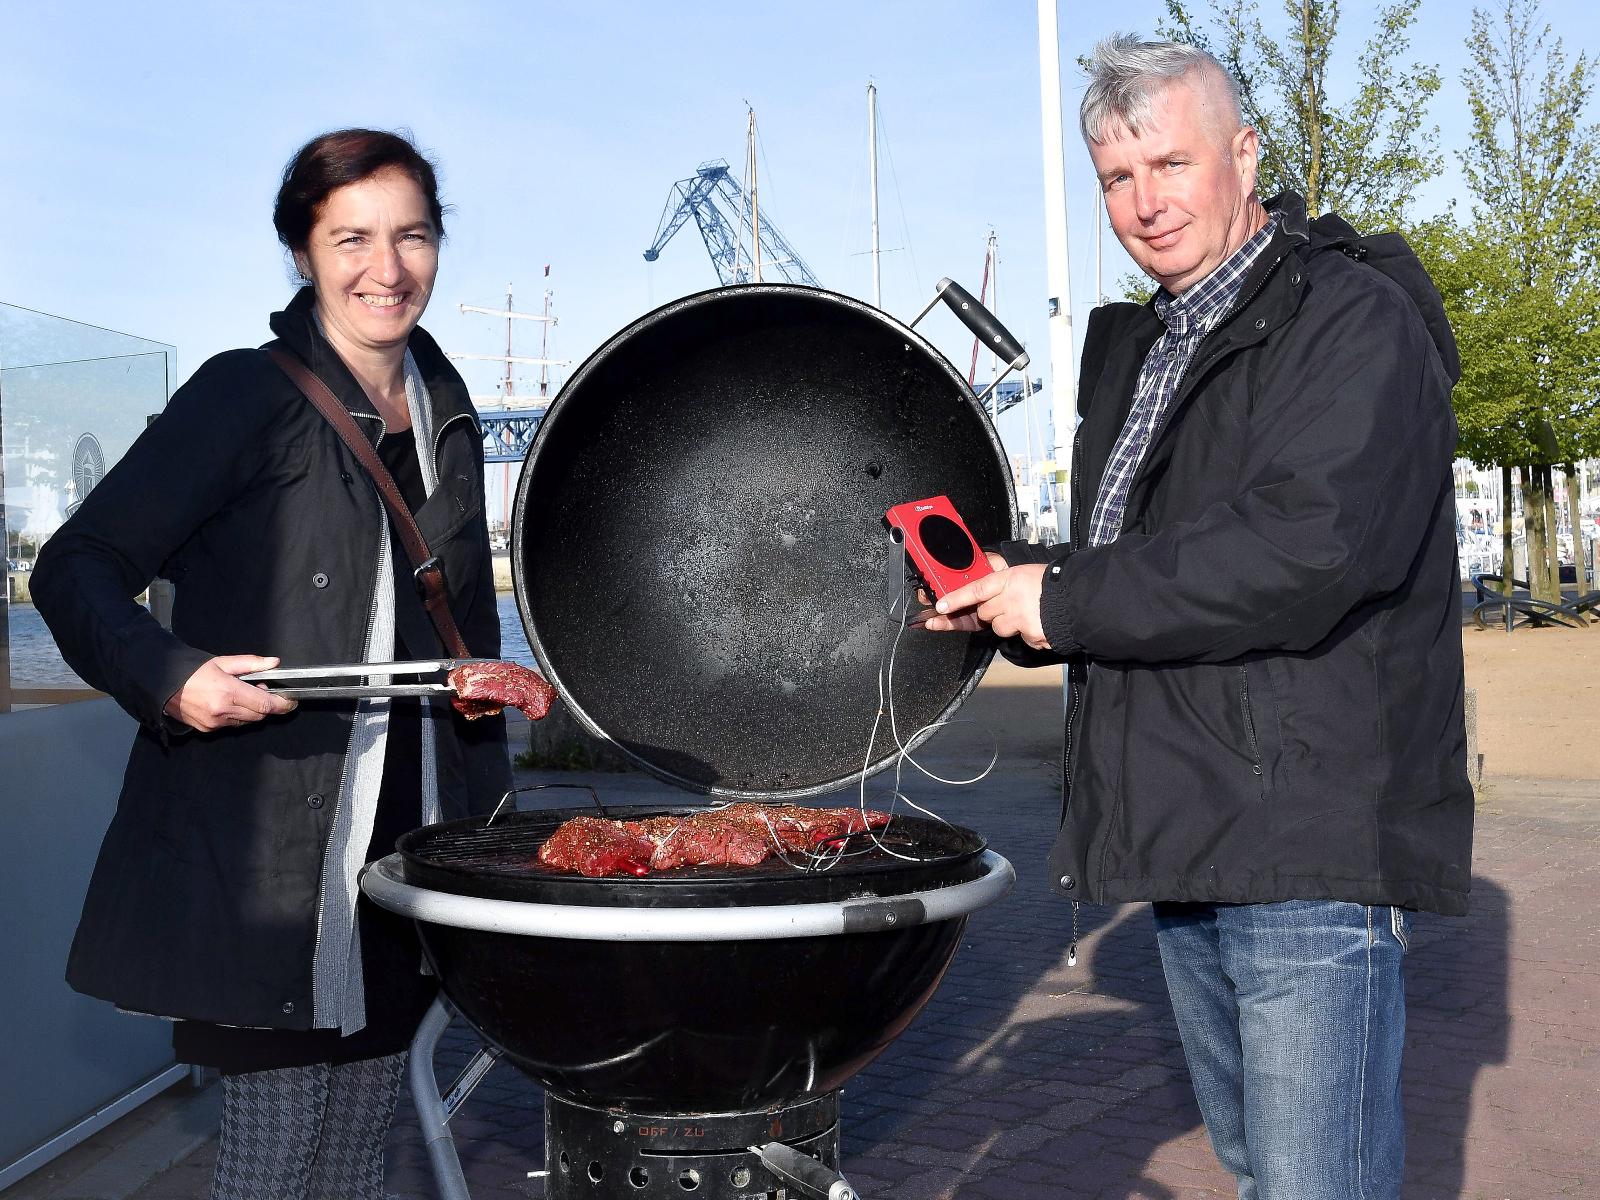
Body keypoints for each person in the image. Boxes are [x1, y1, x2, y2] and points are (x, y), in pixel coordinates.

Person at [922, 36, 1472, 1200]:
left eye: (1169, 163)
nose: (1143, 203)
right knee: (1261, 1173)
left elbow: (1306, 545)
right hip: (1191, 824)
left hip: (1303, 835)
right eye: (1115, 179)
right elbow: (1150, 560)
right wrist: (1005, 582)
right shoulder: (1149, 344)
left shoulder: (1350, 319)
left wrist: (1061, 599)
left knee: (1316, 1184)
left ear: (1244, 154)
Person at [32, 128, 509, 1200]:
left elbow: (457, 627)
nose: (386, 268)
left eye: (412, 236)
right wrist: (169, 674)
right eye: (352, 238)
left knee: (358, 1149)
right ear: (301, 252)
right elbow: (78, 565)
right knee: (274, 1154)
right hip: (273, 853)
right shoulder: (244, 395)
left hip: (410, 847)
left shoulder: (447, 405)